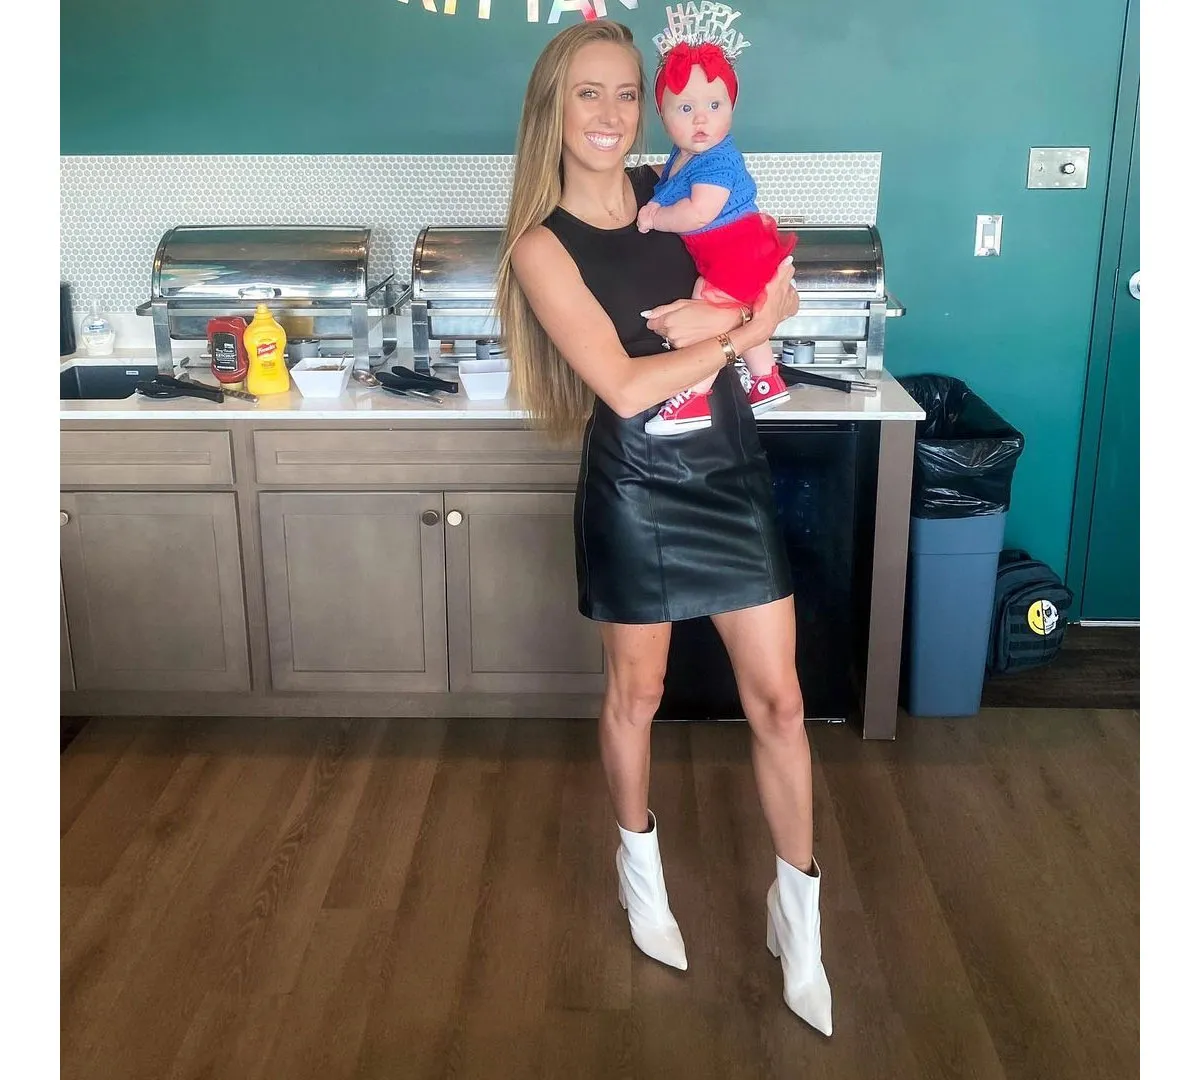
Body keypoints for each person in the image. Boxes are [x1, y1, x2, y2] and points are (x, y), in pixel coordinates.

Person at [494, 18, 833, 1037]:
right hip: (637, 487)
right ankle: (638, 867)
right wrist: (741, 333)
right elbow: (626, 386)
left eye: (626, 92)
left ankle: (798, 916)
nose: (611, 113)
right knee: (636, 695)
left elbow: (776, 273)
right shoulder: (542, 247)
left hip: (728, 474)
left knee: (781, 701)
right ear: (552, 109)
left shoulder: (677, 188)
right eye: (587, 92)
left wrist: (745, 311)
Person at [636, 39, 795, 436]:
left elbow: (698, 213)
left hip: (734, 252)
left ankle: (694, 396)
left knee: (705, 310)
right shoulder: (683, 155)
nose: (701, 119)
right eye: (685, 108)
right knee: (736, 305)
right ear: (663, 115)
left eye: (714, 105)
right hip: (738, 250)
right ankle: (766, 380)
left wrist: (656, 217)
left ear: (732, 108)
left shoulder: (717, 159)